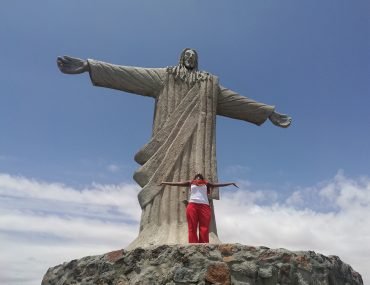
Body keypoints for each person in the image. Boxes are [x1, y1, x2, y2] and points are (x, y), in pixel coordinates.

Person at [57, 48, 291, 248]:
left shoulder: (208, 84)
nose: (189, 58)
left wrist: (266, 112)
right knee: (165, 187)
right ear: (181, 58)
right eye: (186, 55)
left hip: (198, 144)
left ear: (196, 60)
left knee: (195, 173)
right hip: (168, 141)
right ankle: (158, 230)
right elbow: (130, 75)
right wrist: (91, 66)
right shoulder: (165, 76)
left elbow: (235, 101)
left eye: (193, 55)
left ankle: (203, 237)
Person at [161, 173, 238, 243]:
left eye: (200, 177)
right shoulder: (191, 183)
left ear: (202, 179)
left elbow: (217, 184)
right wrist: (165, 182)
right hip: (192, 205)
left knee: (204, 227)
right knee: (192, 226)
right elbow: (178, 184)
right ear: (194, 179)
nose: (198, 179)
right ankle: (193, 244)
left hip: (204, 206)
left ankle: (204, 244)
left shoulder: (206, 184)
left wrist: (230, 183)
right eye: (196, 177)